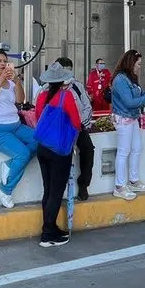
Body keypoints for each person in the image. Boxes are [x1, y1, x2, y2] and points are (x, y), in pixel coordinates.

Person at [0, 49, 39, 208]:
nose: (3, 64)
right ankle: (5, 189)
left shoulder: (11, 82)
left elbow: (20, 100)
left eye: (5, 61)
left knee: (39, 140)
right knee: (23, 153)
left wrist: (17, 82)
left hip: (15, 125)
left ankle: (10, 166)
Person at [33, 62, 83, 247]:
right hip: (60, 150)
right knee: (56, 193)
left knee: (48, 191)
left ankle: (51, 228)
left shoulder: (42, 95)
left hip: (43, 147)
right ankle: (47, 234)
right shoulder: (66, 96)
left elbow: (38, 116)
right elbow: (77, 122)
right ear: (63, 80)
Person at [110, 49, 145, 200]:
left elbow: (137, 96)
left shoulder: (130, 79)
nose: (139, 67)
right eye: (138, 64)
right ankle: (119, 186)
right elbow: (130, 102)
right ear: (131, 63)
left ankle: (133, 180)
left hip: (132, 118)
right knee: (124, 152)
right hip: (124, 119)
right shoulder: (120, 80)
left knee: (136, 148)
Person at [55, 56, 95, 200]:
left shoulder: (77, 86)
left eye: (69, 71)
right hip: (59, 128)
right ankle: (58, 187)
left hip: (78, 126)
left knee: (88, 149)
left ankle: (83, 184)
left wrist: (79, 125)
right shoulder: (48, 87)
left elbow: (87, 107)